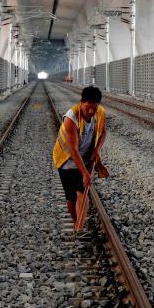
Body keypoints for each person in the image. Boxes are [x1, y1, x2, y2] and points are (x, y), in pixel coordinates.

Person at [52, 86, 109, 223]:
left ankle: (79, 226)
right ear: (81, 102)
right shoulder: (71, 118)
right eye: (88, 107)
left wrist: (96, 150)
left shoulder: (100, 112)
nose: (91, 111)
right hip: (66, 160)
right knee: (71, 197)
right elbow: (73, 150)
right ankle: (76, 221)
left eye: (94, 108)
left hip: (84, 158)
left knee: (82, 194)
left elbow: (103, 132)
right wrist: (85, 173)